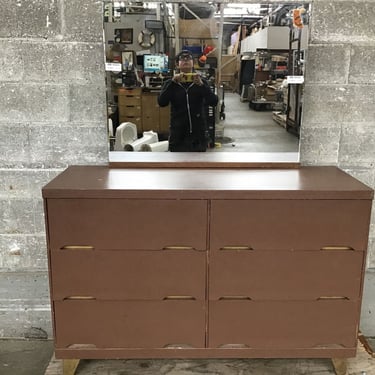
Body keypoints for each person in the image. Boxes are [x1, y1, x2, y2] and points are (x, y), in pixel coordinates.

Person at [158, 50, 218, 152]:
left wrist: (202, 86)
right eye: (182, 58)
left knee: (199, 165)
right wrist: (172, 83)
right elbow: (161, 102)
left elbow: (214, 101)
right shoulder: (170, 83)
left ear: (193, 63)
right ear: (177, 64)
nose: (185, 60)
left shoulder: (201, 81)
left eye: (188, 58)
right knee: (176, 165)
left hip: (198, 134)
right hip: (177, 134)